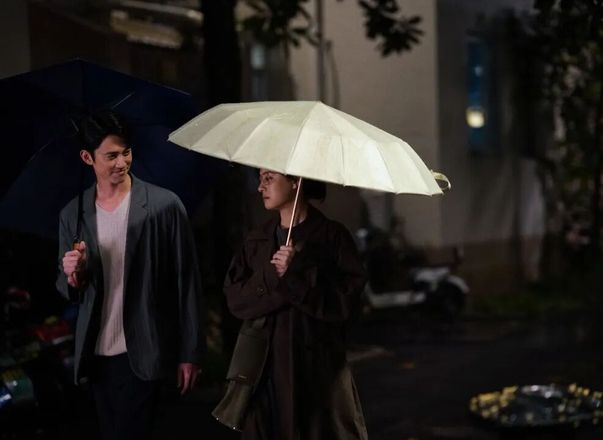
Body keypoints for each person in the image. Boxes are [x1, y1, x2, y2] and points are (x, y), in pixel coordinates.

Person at [56, 111, 204, 440]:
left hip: (146, 349)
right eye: (111, 156)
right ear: (87, 158)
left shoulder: (164, 206)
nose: (122, 162)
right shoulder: (73, 214)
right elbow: (68, 288)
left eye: (126, 152)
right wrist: (73, 276)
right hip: (96, 354)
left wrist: (190, 353)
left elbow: (188, 283)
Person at [217, 169, 369, 439]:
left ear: (295, 182)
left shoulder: (331, 237)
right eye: (260, 179)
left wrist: (295, 274)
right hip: (263, 371)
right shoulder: (257, 240)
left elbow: (346, 306)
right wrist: (272, 276)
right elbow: (236, 301)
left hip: (316, 370)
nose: (260, 187)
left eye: (269, 178)